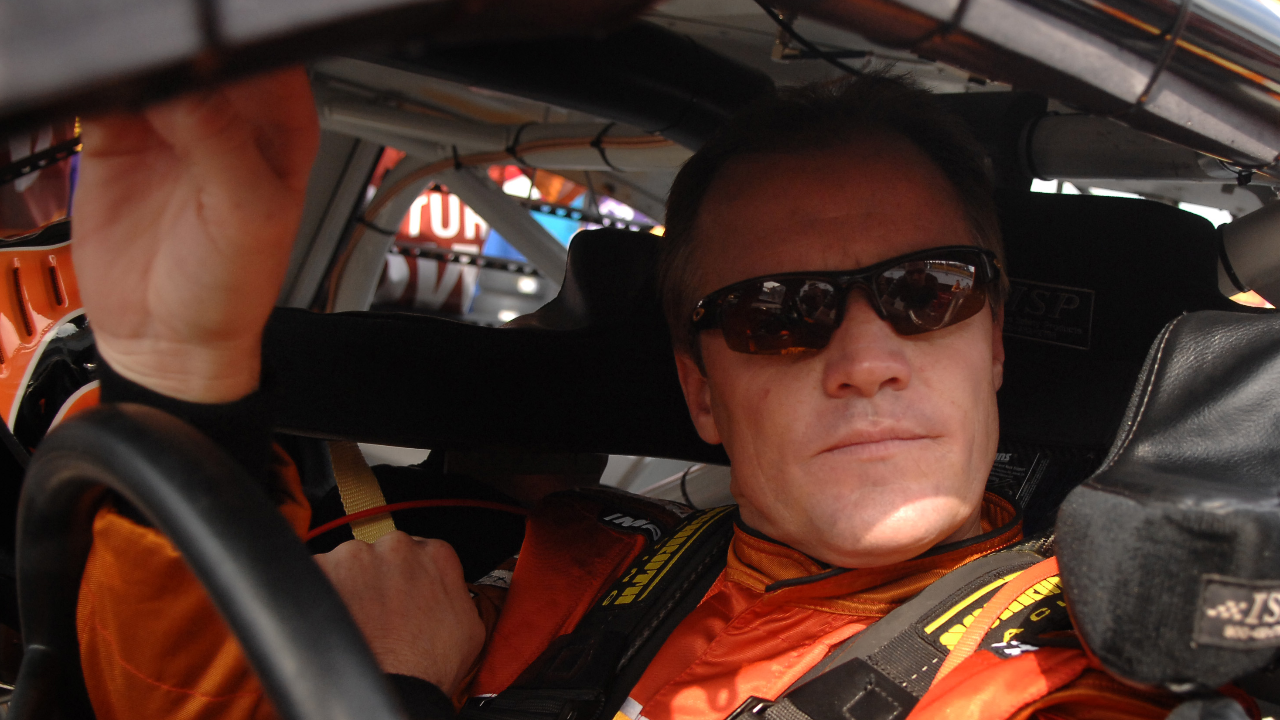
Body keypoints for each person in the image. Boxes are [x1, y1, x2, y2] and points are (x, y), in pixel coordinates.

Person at [69, 68, 1236, 720]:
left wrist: (390, 700)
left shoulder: (1084, 679)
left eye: (927, 293)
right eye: (776, 314)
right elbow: (170, 700)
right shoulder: (558, 574)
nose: (867, 359)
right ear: (701, 392)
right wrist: (175, 373)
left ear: (991, 347)